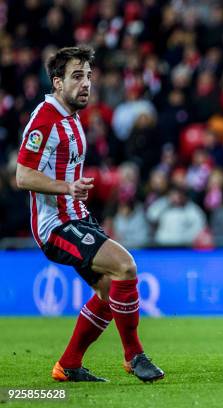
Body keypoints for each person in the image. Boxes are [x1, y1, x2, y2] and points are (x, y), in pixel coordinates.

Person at [15, 46, 164, 382]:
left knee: (110, 289)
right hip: (55, 226)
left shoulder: (73, 117)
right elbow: (22, 176)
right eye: (76, 77)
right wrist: (67, 188)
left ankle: (68, 365)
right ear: (57, 82)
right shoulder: (45, 119)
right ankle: (135, 356)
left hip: (78, 217)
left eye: (88, 77)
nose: (86, 84)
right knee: (125, 266)